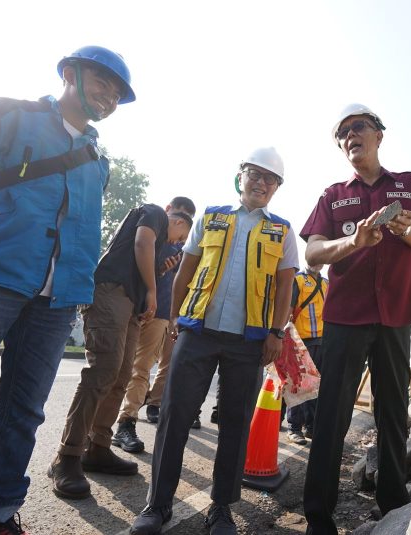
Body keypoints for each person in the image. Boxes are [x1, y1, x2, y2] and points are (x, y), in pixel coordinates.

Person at [0, 46, 135, 535]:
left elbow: (85, 231)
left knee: (25, 412)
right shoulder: (6, 115)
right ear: (69, 74)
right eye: (102, 81)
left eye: (118, 93)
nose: (109, 96)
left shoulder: (98, 160)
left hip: (56, 303)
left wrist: (77, 290)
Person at [130, 147, 299, 535]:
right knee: (174, 415)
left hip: (250, 340)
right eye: (253, 174)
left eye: (268, 178)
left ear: (276, 187)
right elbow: (187, 267)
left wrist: (276, 333)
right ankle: (158, 505)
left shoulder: (283, 230)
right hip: (198, 332)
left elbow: (286, 285)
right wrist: (176, 317)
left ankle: (221, 508)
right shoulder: (211, 216)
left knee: (236, 424)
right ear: (240, 176)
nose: (259, 182)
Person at [301, 104, 411, 534]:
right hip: (346, 316)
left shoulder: (408, 184)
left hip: (396, 313)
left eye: (358, 127)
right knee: (332, 414)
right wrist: (353, 241)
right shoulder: (332, 194)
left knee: (391, 411)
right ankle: (318, 516)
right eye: (342, 133)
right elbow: (312, 253)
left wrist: (403, 230)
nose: (350, 137)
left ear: (379, 135)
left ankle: (392, 505)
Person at [48, 202, 193, 500]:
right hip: (109, 292)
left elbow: (142, 258)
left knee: (121, 376)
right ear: (175, 221)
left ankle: (98, 445)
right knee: (103, 371)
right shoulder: (154, 212)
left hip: (130, 306)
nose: (175, 243)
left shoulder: (158, 251)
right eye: (180, 236)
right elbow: (142, 241)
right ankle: (68, 455)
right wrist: (153, 290)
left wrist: (154, 278)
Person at [113, 197, 198, 456]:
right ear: (170, 213)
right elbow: (138, 263)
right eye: (179, 231)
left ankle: (135, 416)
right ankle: (113, 425)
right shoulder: (151, 229)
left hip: (163, 314)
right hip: (138, 308)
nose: (178, 241)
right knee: (126, 369)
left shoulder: (182, 249)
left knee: (150, 370)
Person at [285, 264, 328, 445]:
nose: (317, 263)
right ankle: (294, 429)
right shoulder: (298, 280)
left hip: (322, 341)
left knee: (315, 386)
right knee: (298, 385)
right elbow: (288, 307)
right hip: (300, 340)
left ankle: (311, 427)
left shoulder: (327, 283)